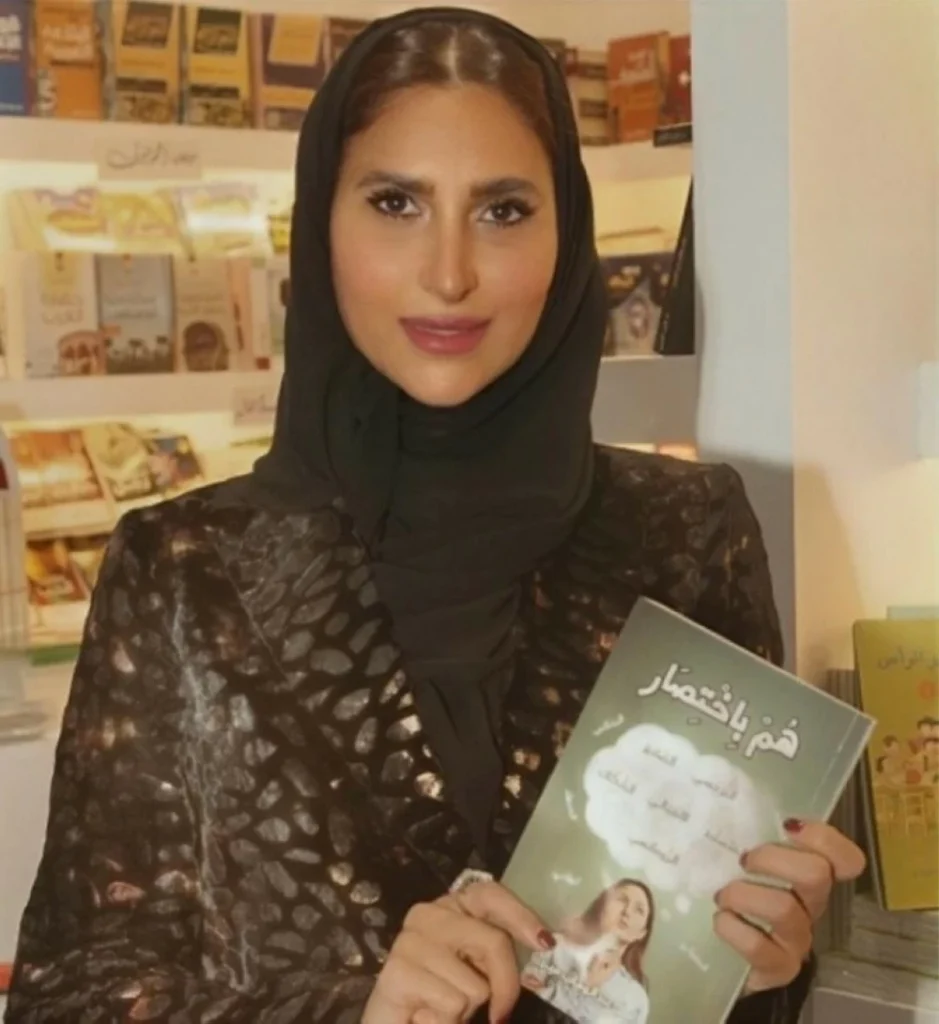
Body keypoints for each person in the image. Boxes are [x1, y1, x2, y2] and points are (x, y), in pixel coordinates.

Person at [4, 7, 866, 1024]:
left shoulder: (683, 532)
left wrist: (760, 963)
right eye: (395, 202)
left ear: (566, 235)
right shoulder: (186, 569)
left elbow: (697, 985)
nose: (449, 271)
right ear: (321, 223)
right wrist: (355, 1008)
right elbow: (71, 998)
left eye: (502, 210)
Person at [521, 879, 654, 1023]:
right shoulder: (555, 945)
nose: (627, 912)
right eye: (622, 899)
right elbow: (525, 1003)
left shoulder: (635, 998)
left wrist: (555, 991)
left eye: (639, 910)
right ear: (603, 904)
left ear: (641, 933)